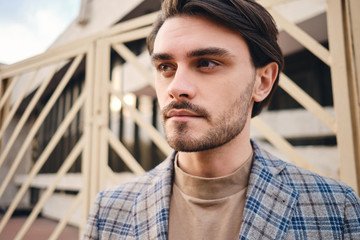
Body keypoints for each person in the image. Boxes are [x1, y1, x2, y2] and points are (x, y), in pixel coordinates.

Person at [82, 0, 360, 239]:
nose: (176, 87)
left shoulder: (336, 209)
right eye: (165, 67)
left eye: (206, 63)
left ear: (262, 82)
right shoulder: (109, 210)